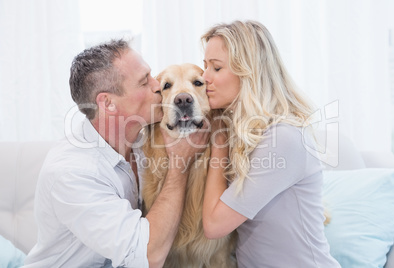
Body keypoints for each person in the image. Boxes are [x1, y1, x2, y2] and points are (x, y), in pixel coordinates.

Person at [23, 39, 209, 267]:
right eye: (144, 82)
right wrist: (179, 166)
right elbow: (148, 256)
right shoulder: (71, 172)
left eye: (152, 76)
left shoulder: (146, 140)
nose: (157, 86)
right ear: (108, 103)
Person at [201, 20, 341, 267]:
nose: (204, 78)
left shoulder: (282, 138)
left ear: (249, 72)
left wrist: (219, 141)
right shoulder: (244, 134)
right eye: (205, 67)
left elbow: (214, 224)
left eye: (216, 68)